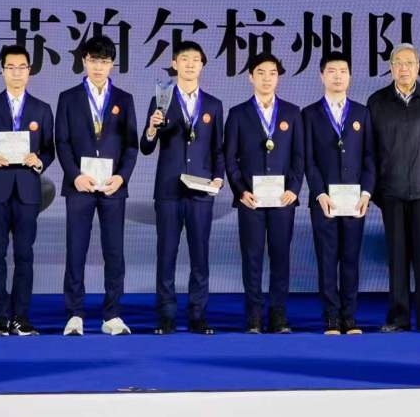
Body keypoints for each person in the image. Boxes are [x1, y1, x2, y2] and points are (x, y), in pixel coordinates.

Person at [55, 36, 138, 336]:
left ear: (112, 64)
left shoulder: (124, 99)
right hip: (80, 185)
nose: (99, 67)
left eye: (104, 61)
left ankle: (112, 315)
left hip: (113, 187)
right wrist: (75, 175)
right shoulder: (68, 98)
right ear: (84, 61)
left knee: (114, 252)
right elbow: (62, 142)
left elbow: (132, 145)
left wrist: (122, 177)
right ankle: (74, 314)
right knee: (76, 250)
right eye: (93, 60)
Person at [141, 40, 225, 335]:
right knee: (166, 254)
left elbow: (218, 149)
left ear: (202, 65)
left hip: (201, 190)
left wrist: (219, 177)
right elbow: (146, 147)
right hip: (168, 190)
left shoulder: (213, 104)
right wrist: (151, 128)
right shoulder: (161, 99)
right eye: (184, 59)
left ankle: (198, 315)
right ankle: (166, 316)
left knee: (200, 255)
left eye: (195, 60)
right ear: (174, 64)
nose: (190, 64)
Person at [367, 43, 420, 333]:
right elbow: (370, 151)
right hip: (390, 192)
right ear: (391, 68)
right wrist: (375, 191)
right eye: (398, 63)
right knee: (397, 256)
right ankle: (398, 317)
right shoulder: (377, 102)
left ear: (418, 68)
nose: (404, 68)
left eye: (409, 63)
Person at [0, 45, 55, 336]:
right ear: (3, 71)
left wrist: (39, 161)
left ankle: (21, 317)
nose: (16, 72)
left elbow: (50, 149)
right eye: (11, 67)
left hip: (28, 191)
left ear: (29, 71)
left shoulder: (42, 109)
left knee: (24, 256)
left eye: (22, 67)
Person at [224, 52, 304, 334]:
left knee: (281, 258)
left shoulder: (292, 113)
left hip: (283, 200)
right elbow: (229, 158)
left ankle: (279, 316)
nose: (267, 78)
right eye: (261, 73)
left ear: (278, 77)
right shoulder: (238, 114)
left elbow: (299, 157)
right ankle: (254, 317)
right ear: (250, 77)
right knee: (252, 258)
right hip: (252, 200)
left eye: (272, 73)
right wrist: (241, 191)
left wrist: (294, 189)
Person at [302, 53, 375, 335]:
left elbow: (369, 158)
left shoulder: (361, 113)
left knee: (351, 259)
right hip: (325, 202)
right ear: (322, 76)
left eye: (343, 71)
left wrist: (366, 193)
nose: (337, 76)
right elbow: (308, 160)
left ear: (350, 76)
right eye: (331, 71)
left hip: (355, 201)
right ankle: (331, 317)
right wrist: (319, 193)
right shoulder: (309, 114)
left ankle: (349, 316)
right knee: (327, 259)